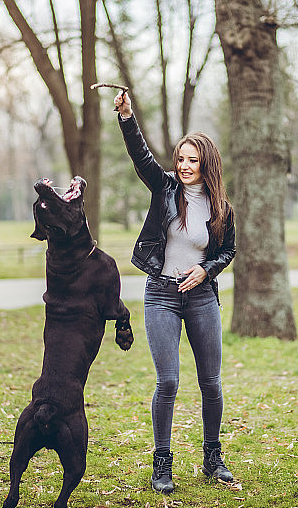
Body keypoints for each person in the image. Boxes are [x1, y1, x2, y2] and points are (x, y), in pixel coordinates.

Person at [114, 91, 236, 494]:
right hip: (161, 295)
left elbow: (228, 250)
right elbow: (140, 157)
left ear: (206, 164)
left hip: (201, 299)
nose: (183, 166)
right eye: (180, 159)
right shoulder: (164, 187)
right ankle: (162, 462)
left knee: (211, 383)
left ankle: (212, 457)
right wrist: (128, 118)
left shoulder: (221, 207)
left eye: (192, 160)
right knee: (167, 382)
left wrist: (206, 269)